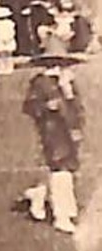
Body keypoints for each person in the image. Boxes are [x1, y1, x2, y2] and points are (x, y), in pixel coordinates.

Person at [21, 51, 85, 234]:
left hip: (69, 130)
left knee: (67, 167)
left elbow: (77, 108)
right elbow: (29, 106)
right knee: (60, 168)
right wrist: (45, 108)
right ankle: (62, 216)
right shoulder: (40, 83)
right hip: (52, 130)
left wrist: (69, 94)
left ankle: (39, 196)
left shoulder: (69, 84)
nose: (60, 68)